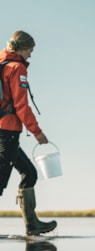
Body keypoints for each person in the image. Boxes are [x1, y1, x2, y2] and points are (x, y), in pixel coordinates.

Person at [0, 30, 57, 235]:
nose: (31, 55)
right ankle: (32, 225)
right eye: (30, 51)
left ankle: (32, 225)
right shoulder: (17, 69)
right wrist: (37, 132)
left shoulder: (2, 63)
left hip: (5, 133)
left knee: (29, 173)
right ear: (22, 48)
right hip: (6, 133)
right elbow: (21, 106)